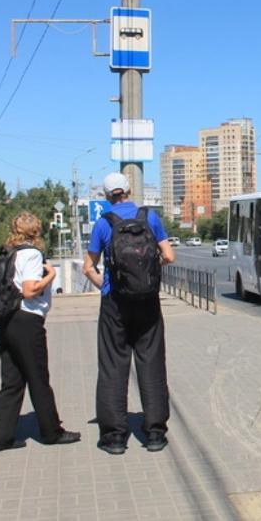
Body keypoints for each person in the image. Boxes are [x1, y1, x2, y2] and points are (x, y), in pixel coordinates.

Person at [83, 172, 175, 455]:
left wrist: (106, 286)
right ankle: (155, 433)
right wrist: (146, 277)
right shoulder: (150, 218)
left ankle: (114, 438)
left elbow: (89, 267)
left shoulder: (103, 223)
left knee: (113, 366)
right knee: (152, 363)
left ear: (106, 195)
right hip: (148, 302)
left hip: (114, 304)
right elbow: (169, 256)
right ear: (129, 190)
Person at [0, 212, 81, 452]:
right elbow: (29, 290)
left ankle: (0, 438)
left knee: (12, 381)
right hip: (27, 321)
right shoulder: (31, 254)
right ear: (36, 231)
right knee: (38, 378)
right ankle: (51, 432)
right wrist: (51, 275)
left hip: (7, 320)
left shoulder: (9, 253)